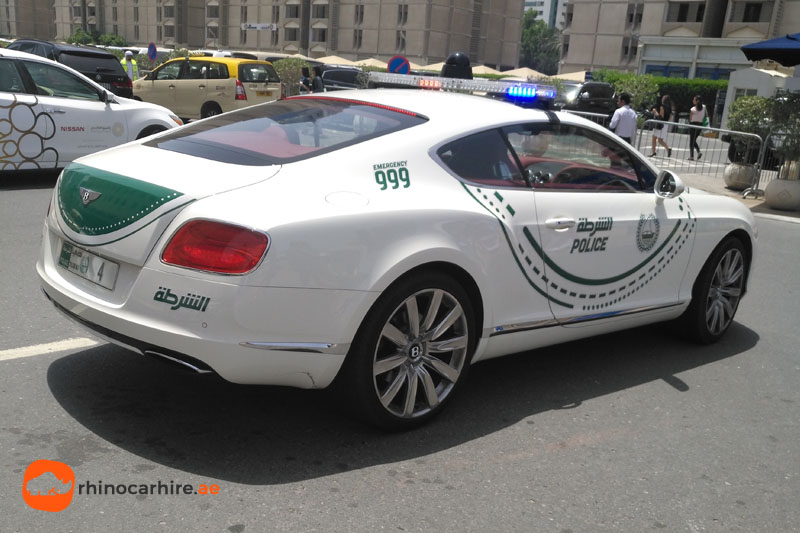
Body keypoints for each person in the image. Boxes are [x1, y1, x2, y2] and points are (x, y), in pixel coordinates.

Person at [688, 95, 707, 161]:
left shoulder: (693, 109)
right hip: (700, 125)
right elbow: (706, 115)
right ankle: (698, 151)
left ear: (697, 101)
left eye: (694, 100)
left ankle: (692, 156)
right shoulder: (704, 107)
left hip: (693, 124)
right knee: (694, 140)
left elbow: (690, 118)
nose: (693, 101)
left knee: (691, 141)